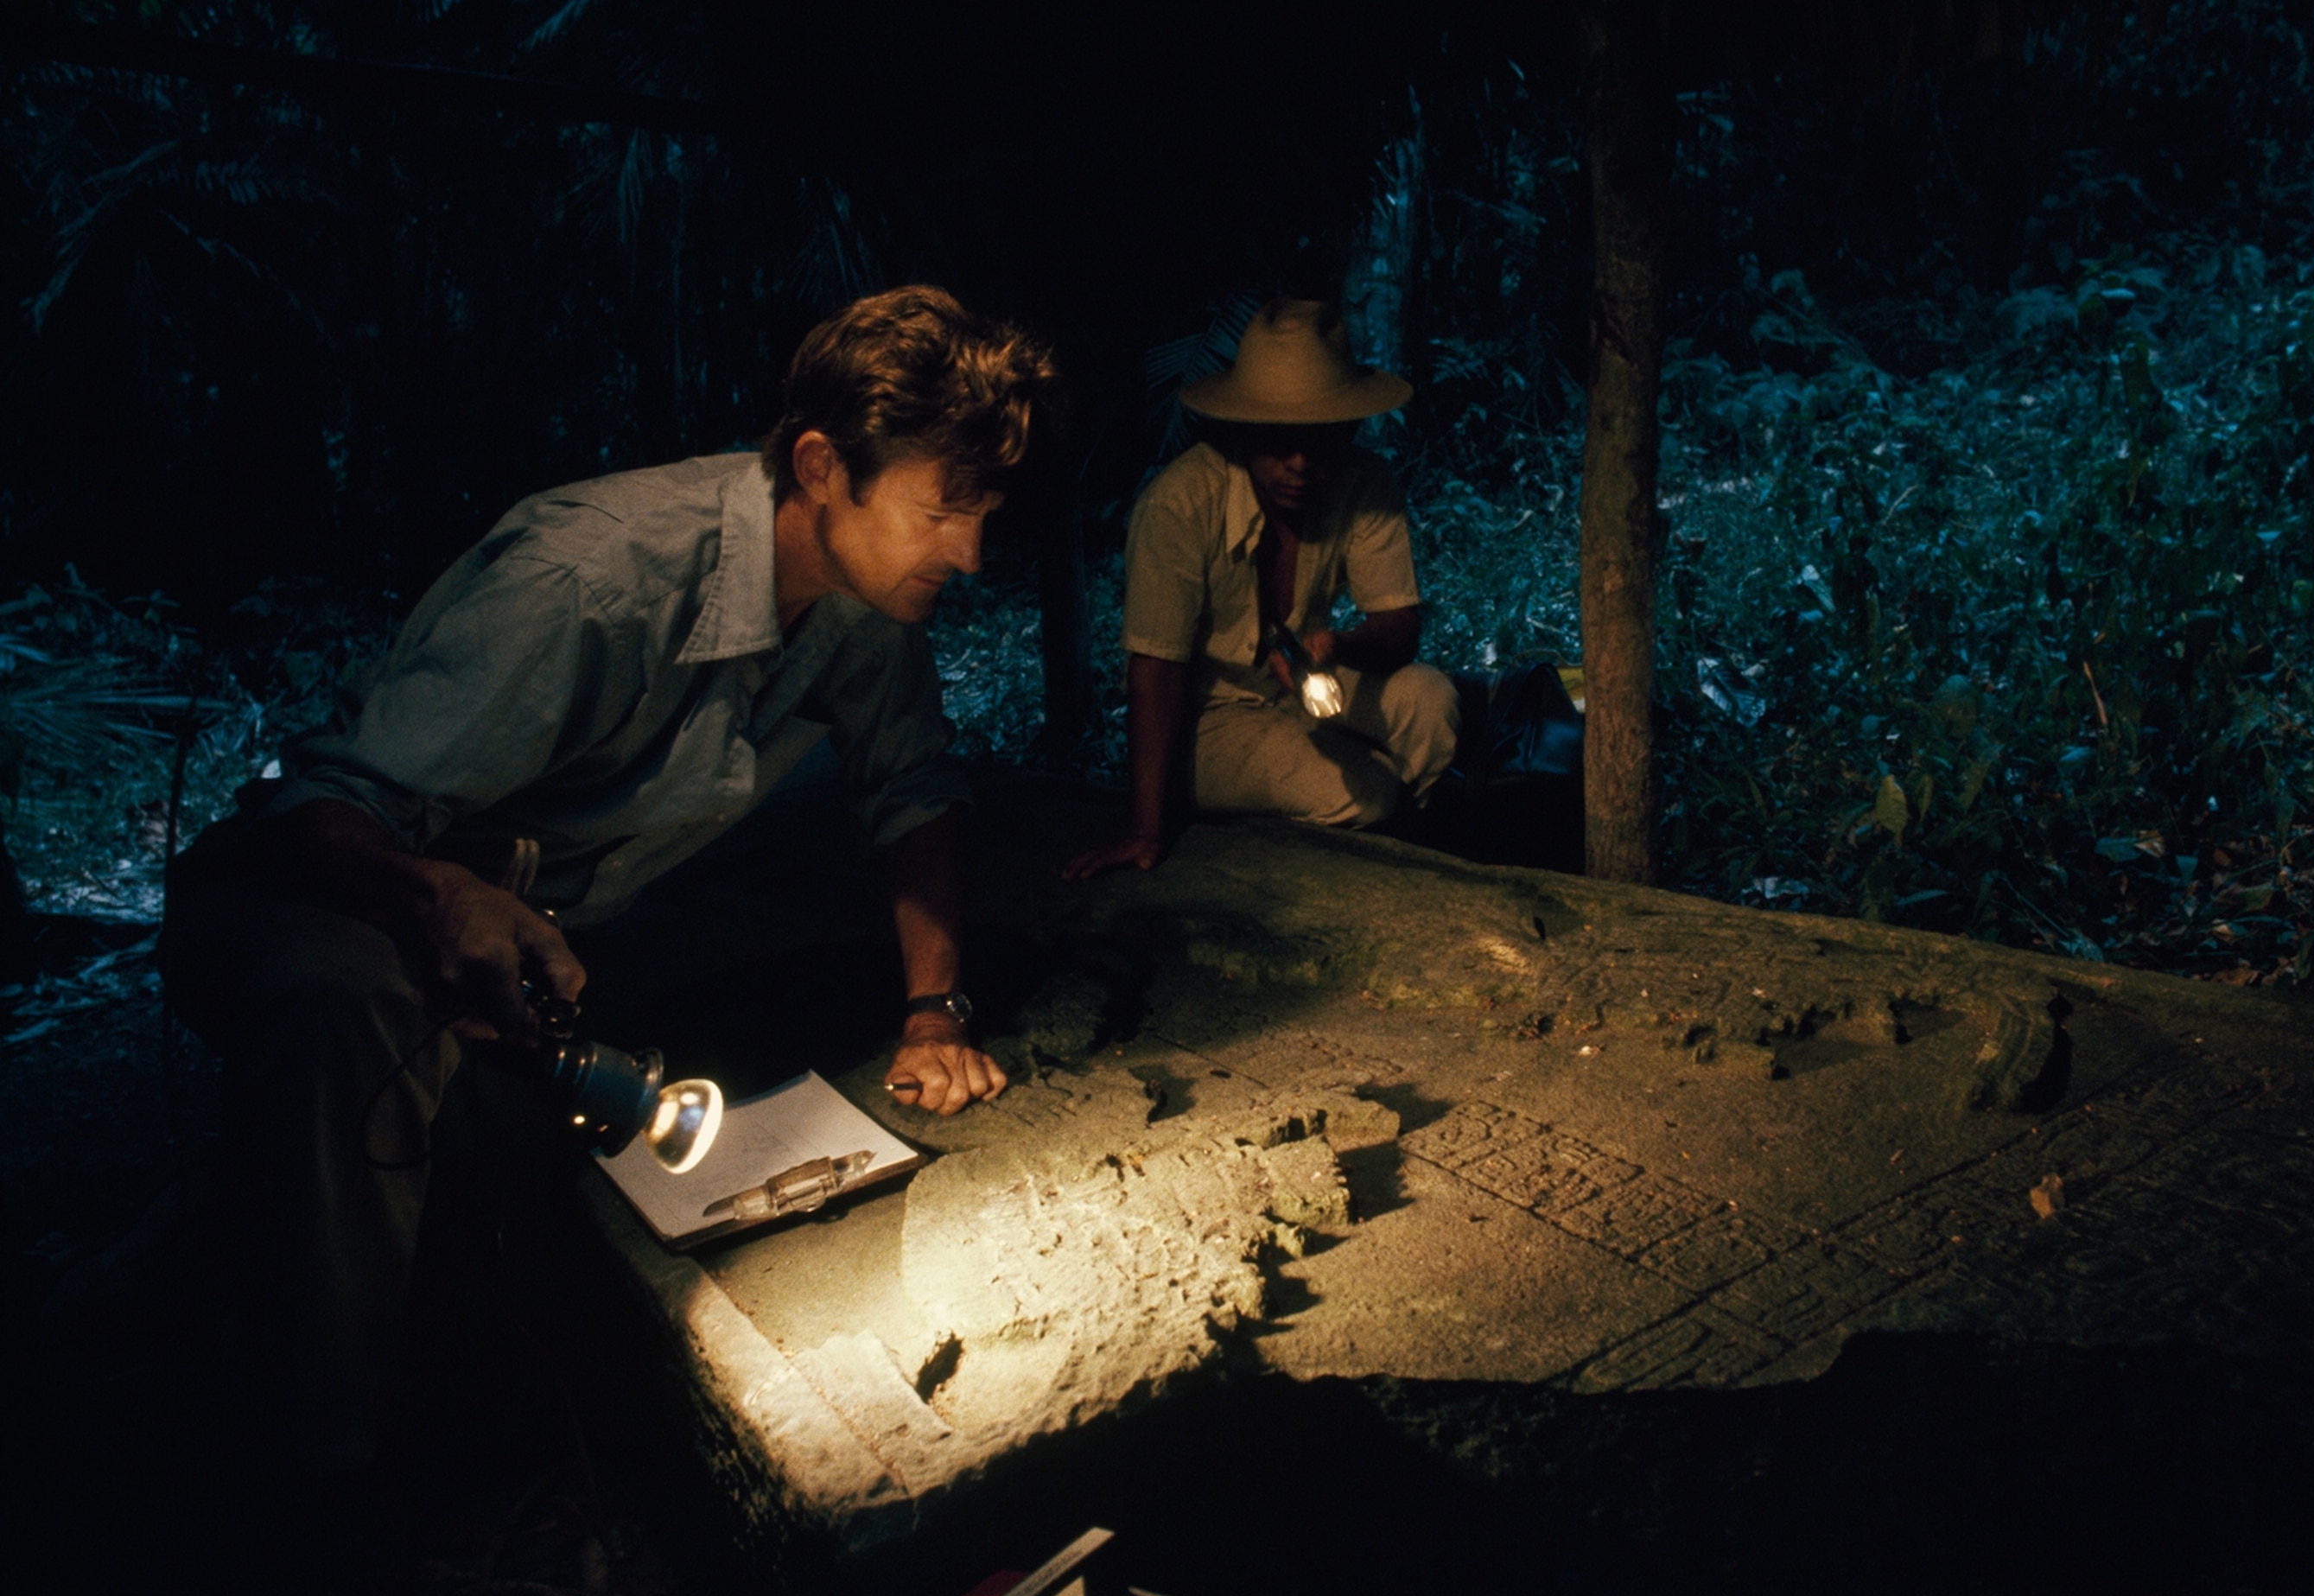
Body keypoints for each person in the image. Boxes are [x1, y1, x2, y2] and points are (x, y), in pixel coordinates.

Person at [160, 284, 1052, 1466]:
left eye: (985, 509)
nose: (973, 552)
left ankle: (239, 1253)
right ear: (825, 466)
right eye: (945, 508)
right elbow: (317, 810)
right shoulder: (588, 578)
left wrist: (933, 1009)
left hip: (535, 928)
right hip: (326, 891)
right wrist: (440, 901)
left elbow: (914, 787)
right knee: (353, 1017)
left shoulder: (864, 608)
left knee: (564, 1137)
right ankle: (313, 1480)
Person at [1065, 299, 1457, 878]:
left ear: (1347, 428)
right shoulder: (1180, 503)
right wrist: (1146, 828)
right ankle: (1382, 836)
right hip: (1211, 719)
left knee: (1430, 700)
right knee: (1366, 790)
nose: (1300, 462)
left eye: (1319, 439)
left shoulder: (1365, 483)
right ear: (1243, 430)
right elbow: (1154, 670)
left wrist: (1339, 645)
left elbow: (1401, 628)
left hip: (1305, 679)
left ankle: (1423, 856)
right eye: (1279, 440)